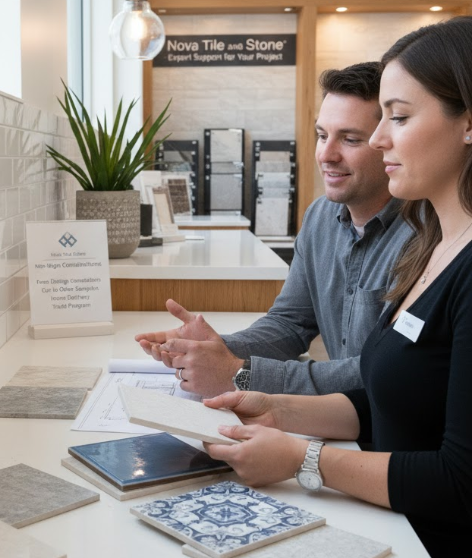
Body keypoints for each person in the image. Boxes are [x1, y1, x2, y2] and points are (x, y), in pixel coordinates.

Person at [203, 17, 472, 557]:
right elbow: (399, 401)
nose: (377, 139)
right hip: (390, 523)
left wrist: (304, 460)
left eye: (397, 117)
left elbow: (460, 481)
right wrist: (278, 411)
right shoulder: (432, 247)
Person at [135, 62, 414, 398]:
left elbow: (382, 371)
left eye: (350, 139)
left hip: (382, 434)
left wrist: (241, 374)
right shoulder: (320, 218)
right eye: (322, 135)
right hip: (337, 422)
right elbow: (290, 324)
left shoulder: (425, 237)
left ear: (389, 142)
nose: (326, 154)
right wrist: (215, 347)